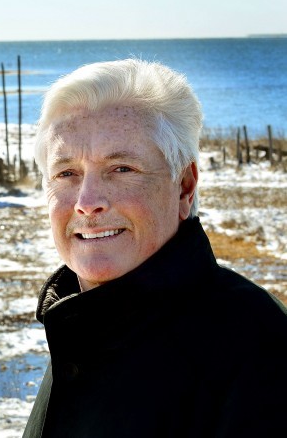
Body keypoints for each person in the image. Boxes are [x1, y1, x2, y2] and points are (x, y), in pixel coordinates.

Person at [23, 59, 287, 437]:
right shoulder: (78, 324)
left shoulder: (258, 351)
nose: (87, 201)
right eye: (67, 173)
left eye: (122, 169)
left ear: (184, 187)